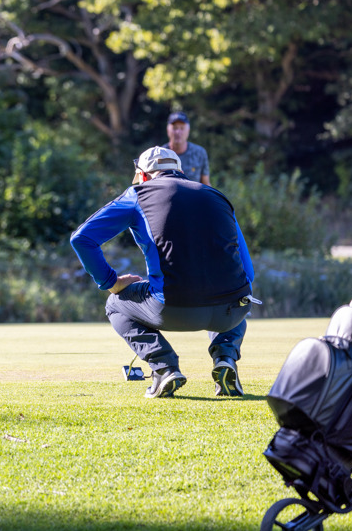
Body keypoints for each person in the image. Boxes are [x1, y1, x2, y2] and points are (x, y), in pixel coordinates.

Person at [70, 146, 258, 399]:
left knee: (114, 304)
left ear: (143, 175)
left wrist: (111, 282)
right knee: (237, 293)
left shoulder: (138, 193)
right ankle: (226, 359)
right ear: (179, 171)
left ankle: (164, 368)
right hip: (230, 313)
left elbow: (81, 239)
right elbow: (248, 272)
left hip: (171, 308)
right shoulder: (217, 196)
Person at [163, 111, 210, 185]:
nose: (178, 132)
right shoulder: (160, 155)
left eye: (182, 128)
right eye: (174, 128)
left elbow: (206, 184)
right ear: (168, 130)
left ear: (188, 130)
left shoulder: (199, 153)